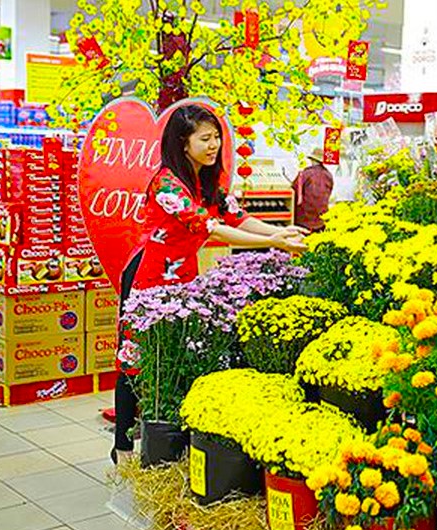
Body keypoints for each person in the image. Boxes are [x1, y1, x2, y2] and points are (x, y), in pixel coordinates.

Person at [112, 104, 308, 463]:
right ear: (183, 142)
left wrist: (277, 231)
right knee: (136, 358)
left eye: (216, 136)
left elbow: (236, 215)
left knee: (179, 353)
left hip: (183, 276)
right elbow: (210, 227)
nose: (214, 144)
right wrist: (276, 242)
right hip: (149, 276)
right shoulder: (167, 183)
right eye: (205, 138)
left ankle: (170, 440)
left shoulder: (207, 181)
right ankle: (123, 447)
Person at [291, 147, 334, 232]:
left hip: (303, 220)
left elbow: (294, 190)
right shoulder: (328, 175)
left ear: (312, 160)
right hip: (321, 219)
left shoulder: (305, 174)